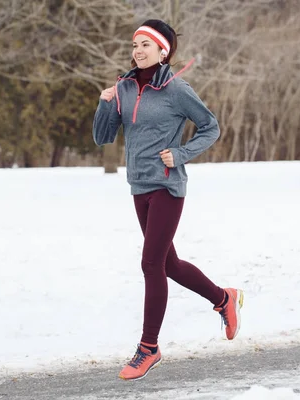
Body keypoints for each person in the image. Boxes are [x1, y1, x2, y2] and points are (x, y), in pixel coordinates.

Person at [92, 19, 244, 381]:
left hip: (167, 186)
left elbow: (210, 126)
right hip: (139, 186)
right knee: (168, 264)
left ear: (163, 51)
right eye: (135, 45)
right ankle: (224, 298)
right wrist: (104, 103)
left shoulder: (177, 89)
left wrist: (181, 153)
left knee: (150, 264)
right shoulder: (124, 87)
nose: (138, 50)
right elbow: (102, 138)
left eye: (146, 45)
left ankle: (149, 348)